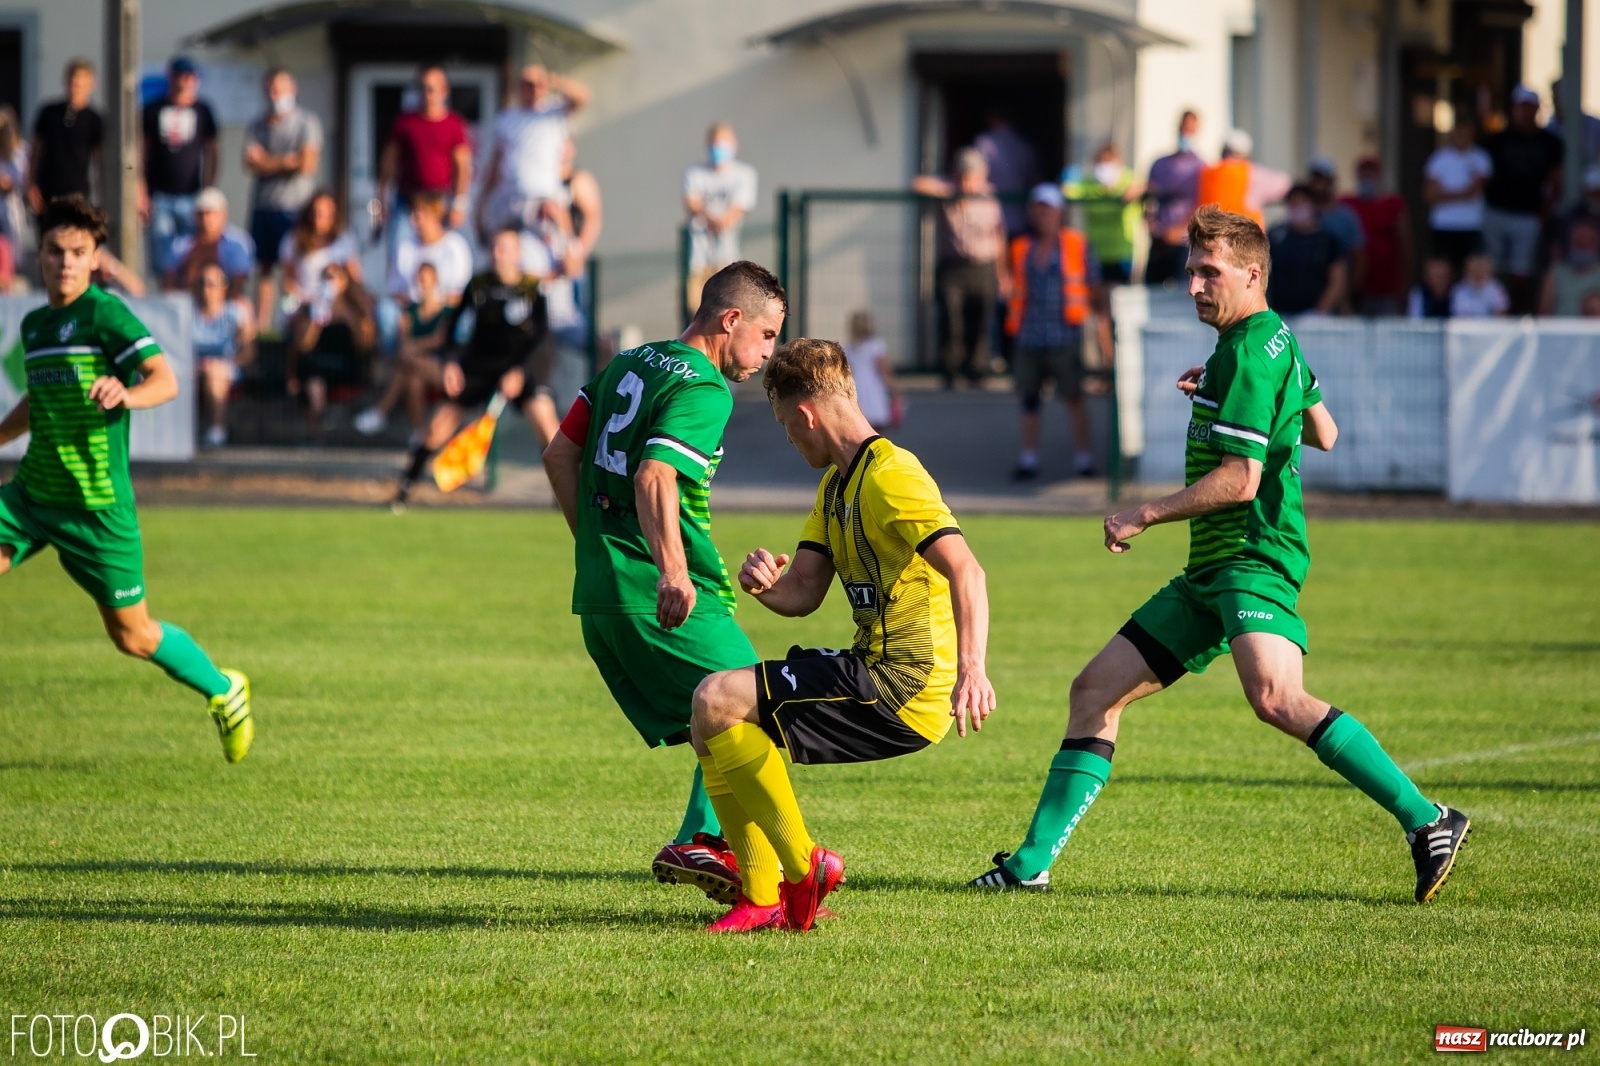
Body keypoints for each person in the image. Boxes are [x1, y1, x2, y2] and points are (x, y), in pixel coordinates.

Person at [966, 204, 1469, 904]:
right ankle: (1030, 865)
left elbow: (1242, 480)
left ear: (1252, 273)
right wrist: (1224, 386)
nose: (1196, 285)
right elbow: (1325, 431)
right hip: (1212, 570)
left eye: (1211, 272)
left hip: (1252, 555)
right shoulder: (1269, 342)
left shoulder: (1247, 352)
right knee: (1093, 692)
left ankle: (1428, 819)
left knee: (1274, 697)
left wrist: (1143, 512)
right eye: (1191, 272)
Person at [688, 337, 996, 933]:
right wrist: (764, 585)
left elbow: (967, 569)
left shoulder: (892, 476)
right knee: (711, 712)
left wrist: (973, 669)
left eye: (784, 425)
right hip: (869, 667)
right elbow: (803, 589)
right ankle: (762, 897)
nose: (788, 438)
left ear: (805, 414)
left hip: (904, 684)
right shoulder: (835, 488)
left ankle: (802, 872)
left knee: (716, 698)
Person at [541, 261, 785, 920]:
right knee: (757, 702)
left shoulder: (627, 363)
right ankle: (705, 841)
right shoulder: (707, 390)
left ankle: (702, 842)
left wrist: (595, 546)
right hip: (661, 594)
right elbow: (655, 477)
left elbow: (558, 455)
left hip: (601, 595)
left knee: (721, 715)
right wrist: (673, 572)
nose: (767, 355)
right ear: (730, 320)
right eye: (765, 336)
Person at [0, 195, 253, 761]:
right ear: (38, 255)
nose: (66, 262)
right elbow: (36, 398)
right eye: (55, 251)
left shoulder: (105, 315)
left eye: (78, 253)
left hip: (96, 508)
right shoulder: (36, 325)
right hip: (32, 495)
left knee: (132, 637)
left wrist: (126, 392)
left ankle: (224, 690)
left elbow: (165, 380)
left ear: (95, 260)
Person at [393, 227, 550, 504]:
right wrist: (452, 363)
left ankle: (562, 497)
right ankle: (405, 491)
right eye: (494, 248)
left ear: (517, 254)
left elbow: (540, 337)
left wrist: (520, 371)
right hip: (478, 367)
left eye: (504, 248)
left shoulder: (532, 289)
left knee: (548, 424)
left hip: (517, 368)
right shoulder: (478, 285)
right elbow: (451, 329)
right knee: (437, 428)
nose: (497, 254)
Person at [1004, 183, 1111, 480]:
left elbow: (1095, 290)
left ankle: (1084, 459)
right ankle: (1028, 458)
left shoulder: (1077, 244)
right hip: (1029, 335)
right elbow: (1013, 288)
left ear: (1060, 212)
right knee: (1029, 399)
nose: (1043, 215)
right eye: (1039, 209)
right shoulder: (1021, 247)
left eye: (1049, 209)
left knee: (1074, 396)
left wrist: (1103, 337)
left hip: (1066, 335)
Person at [913, 149, 1005, 389]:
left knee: (981, 318)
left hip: (983, 266)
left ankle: (977, 370)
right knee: (951, 319)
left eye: (972, 176)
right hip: (953, 267)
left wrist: (1003, 272)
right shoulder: (949, 191)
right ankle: (951, 371)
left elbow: (999, 233)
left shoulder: (990, 196)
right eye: (963, 176)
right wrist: (952, 193)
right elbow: (919, 184)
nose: (967, 181)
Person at [244, 69, 323, 331]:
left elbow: (307, 164)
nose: (275, 94)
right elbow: (250, 162)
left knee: (293, 270)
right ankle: (263, 326)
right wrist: (287, 161)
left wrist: (268, 161)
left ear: (293, 89)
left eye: (280, 88)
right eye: (271, 89)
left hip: (294, 208)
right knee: (264, 269)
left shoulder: (306, 122)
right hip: (264, 206)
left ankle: (290, 324)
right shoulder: (258, 124)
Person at [479, 64, 591, 238]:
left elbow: (583, 96)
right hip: (512, 201)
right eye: (527, 84)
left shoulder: (554, 112)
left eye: (538, 84)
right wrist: (482, 203)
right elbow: (496, 163)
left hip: (544, 202)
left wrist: (552, 79)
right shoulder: (506, 118)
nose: (533, 89)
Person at [1481, 86, 1564, 313]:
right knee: (1493, 270)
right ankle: (1496, 311)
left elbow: (1557, 181)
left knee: (1522, 273)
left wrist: (1543, 214)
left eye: (1529, 106)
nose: (1525, 112)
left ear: (1537, 108)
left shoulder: (1550, 142)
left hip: (1528, 215)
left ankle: (1517, 314)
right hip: (1496, 211)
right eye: (1521, 107)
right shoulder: (1498, 139)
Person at [139, 56, 219, 277]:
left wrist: (209, 190)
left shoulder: (203, 110)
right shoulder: (153, 109)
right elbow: (141, 152)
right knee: (163, 258)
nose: (184, 81)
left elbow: (213, 151)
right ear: (171, 77)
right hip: (160, 196)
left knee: (192, 256)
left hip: (193, 196)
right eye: (180, 75)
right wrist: (141, 191)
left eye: (189, 76)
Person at [357, 261, 452, 441]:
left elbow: (438, 339)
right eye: (419, 278)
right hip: (414, 366)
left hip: (437, 367)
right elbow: (403, 338)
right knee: (413, 381)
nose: (422, 282)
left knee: (405, 359)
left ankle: (381, 411)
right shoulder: (410, 310)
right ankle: (419, 434)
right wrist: (412, 347)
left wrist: (414, 347)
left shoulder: (445, 310)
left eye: (425, 278)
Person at [377, 65, 473, 235]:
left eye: (431, 89)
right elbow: (389, 162)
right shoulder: (405, 123)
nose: (425, 93)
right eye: (421, 88)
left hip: (440, 201)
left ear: (444, 91)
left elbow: (462, 166)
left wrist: (459, 204)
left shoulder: (454, 124)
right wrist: (381, 198)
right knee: (400, 252)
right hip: (407, 200)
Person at [286, 261, 376, 440]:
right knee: (312, 371)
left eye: (335, 277)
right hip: (319, 364)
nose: (331, 282)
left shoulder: (355, 308)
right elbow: (304, 345)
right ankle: (320, 422)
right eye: (327, 277)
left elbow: (365, 345)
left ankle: (321, 427)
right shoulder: (313, 308)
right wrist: (317, 320)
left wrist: (347, 316)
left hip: (346, 364)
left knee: (314, 370)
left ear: (345, 281)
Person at [682, 123, 759, 316]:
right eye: (715, 144)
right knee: (698, 310)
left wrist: (716, 219)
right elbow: (691, 202)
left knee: (727, 309)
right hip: (699, 258)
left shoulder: (744, 175)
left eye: (723, 144)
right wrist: (712, 218)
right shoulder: (695, 173)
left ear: (734, 145)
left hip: (728, 258)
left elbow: (738, 209)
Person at [191, 261, 256, 448]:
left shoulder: (236, 313)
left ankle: (217, 431)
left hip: (226, 370)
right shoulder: (186, 312)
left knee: (215, 373)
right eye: (202, 283)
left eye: (211, 284)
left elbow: (249, 352)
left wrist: (222, 364)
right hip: (191, 370)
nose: (206, 289)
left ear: (223, 287)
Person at [27, 59, 102, 218]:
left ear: (90, 84)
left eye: (80, 83)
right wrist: (31, 185)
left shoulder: (94, 119)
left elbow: (99, 160)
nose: (75, 87)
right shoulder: (49, 112)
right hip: (47, 191)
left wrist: (101, 196)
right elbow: (35, 150)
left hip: (77, 193)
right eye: (72, 82)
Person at [1062, 141, 1143, 284]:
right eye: (1101, 162)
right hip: (1096, 253)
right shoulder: (1089, 183)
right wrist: (1069, 176)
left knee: (1119, 298)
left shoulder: (1128, 179)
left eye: (1109, 162)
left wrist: (1136, 190)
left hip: (1122, 254)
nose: (1105, 167)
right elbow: (1067, 191)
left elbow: (1145, 185)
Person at [1341, 156, 1412, 315]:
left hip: (1387, 287)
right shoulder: (1347, 203)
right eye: (1363, 174)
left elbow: (1405, 244)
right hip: (1357, 287)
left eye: (1371, 174)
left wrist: (1406, 284)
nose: (1367, 179)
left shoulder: (1393, 204)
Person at [1423, 117, 1492, 273]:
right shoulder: (1439, 159)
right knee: (1443, 270)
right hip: (1443, 225)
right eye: (1459, 132)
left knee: (1470, 270)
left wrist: (1444, 194)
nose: (1462, 136)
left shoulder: (1481, 158)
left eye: (1466, 133)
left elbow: (1475, 191)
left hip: (1471, 225)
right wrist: (1464, 193)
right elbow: (1430, 195)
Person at [278, 191, 363, 315]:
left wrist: (340, 280)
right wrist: (305, 299)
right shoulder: (294, 240)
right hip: (304, 304)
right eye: (315, 213)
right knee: (312, 314)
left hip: (338, 304)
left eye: (324, 214)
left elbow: (356, 279)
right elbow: (288, 282)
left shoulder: (345, 240)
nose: (318, 217)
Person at [1144, 110, 1204, 286]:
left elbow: (1200, 204)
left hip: (1185, 243)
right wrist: (1153, 226)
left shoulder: (1201, 167)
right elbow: (1148, 199)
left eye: (1190, 129)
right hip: (1159, 239)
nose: (1186, 133)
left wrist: (1179, 230)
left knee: (1183, 290)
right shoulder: (1160, 164)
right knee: (1152, 290)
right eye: (1184, 127)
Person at [1266, 185, 1347, 316]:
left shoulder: (1327, 240)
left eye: (1300, 203)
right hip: (1280, 314)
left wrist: (1320, 312)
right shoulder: (1277, 236)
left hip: (1314, 317)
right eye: (1292, 204)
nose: (1296, 207)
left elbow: (1338, 279)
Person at [163, 186, 254, 296]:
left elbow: (240, 280)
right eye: (201, 214)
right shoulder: (181, 244)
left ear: (223, 214)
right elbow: (168, 277)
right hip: (186, 303)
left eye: (210, 213)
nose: (206, 219)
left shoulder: (237, 243)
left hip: (226, 303)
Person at [1196, 129, 1291, 230]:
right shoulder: (1253, 173)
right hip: (1245, 239)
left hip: (1210, 237)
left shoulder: (1207, 173)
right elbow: (1287, 187)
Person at [1306, 157, 1365, 310]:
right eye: (1315, 178)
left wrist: (1352, 289)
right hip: (1310, 292)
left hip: (1341, 291)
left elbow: (1358, 255)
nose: (1318, 184)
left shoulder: (1346, 217)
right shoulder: (1304, 215)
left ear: (1331, 181)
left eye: (1323, 179)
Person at [975, 109, 1040, 237]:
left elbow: (975, 178)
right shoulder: (1025, 145)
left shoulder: (984, 143)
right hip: (1018, 221)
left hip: (990, 223)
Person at [843, 310, 901, 432]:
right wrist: (895, 391)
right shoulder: (876, 345)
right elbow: (885, 370)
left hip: (857, 387)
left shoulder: (849, 347)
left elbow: (848, 371)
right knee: (878, 430)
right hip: (874, 387)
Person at [1541, 219, 1600, 316]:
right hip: (1558, 329)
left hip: (1593, 330)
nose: (1583, 247)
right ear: (1569, 243)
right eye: (1578, 241)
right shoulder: (1556, 270)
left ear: (1597, 244)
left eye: (1588, 242)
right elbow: (1543, 311)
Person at [1450, 253, 1509, 318]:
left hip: (1492, 326)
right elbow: (1462, 317)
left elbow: (1501, 313)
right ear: (1467, 273)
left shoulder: (1496, 287)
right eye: (1474, 272)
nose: (1478, 274)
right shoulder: (1459, 290)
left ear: (1489, 273)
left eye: (1481, 273)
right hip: (1467, 326)